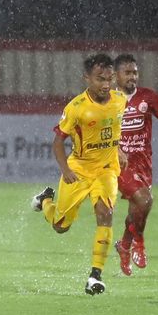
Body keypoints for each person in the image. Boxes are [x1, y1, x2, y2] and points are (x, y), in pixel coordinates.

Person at [31, 53, 127, 295]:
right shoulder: (76, 108)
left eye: (109, 79)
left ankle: (95, 276)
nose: (105, 84)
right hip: (79, 171)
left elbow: (114, 128)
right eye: (99, 79)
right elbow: (57, 143)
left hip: (106, 170)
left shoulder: (120, 100)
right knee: (60, 226)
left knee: (105, 214)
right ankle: (45, 199)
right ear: (87, 78)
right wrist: (66, 170)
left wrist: (120, 149)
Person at [113, 54, 158, 276]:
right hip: (118, 164)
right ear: (116, 75)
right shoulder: (110, 100)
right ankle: (138, 244)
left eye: (135, 72)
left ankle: (124, 245)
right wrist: (115, 148)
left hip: (143, 163)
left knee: (139, 208)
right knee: (144, 200)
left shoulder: (148, 97)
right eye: (127, 72)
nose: (132, 76)